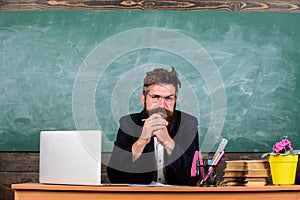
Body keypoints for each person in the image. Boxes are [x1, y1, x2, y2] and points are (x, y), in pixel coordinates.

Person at [107, 67, 199, 185]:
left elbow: (193, 177)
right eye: (155, 97)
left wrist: (169, 143)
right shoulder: (128, 123)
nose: (162, 104)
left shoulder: (188, 124)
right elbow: (115, 177)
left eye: (168, 98)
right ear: (143, 99)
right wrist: (141, 141)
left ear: (175, 100)